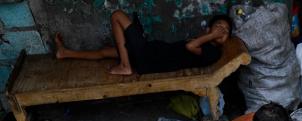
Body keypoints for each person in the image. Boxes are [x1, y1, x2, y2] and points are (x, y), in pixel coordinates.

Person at [55, 11, 231, 75]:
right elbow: (192, 44)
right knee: (106, 52)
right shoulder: (204, 41)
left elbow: (189, 47)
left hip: (150, 59)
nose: (221, 31)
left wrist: (212, 34)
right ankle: (65, 53)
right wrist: (210, 34)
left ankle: (125, 66)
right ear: (208, 29)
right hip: (150, 53)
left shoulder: (213, 52)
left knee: (117, 15)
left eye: (225, 32)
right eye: (218, 27)